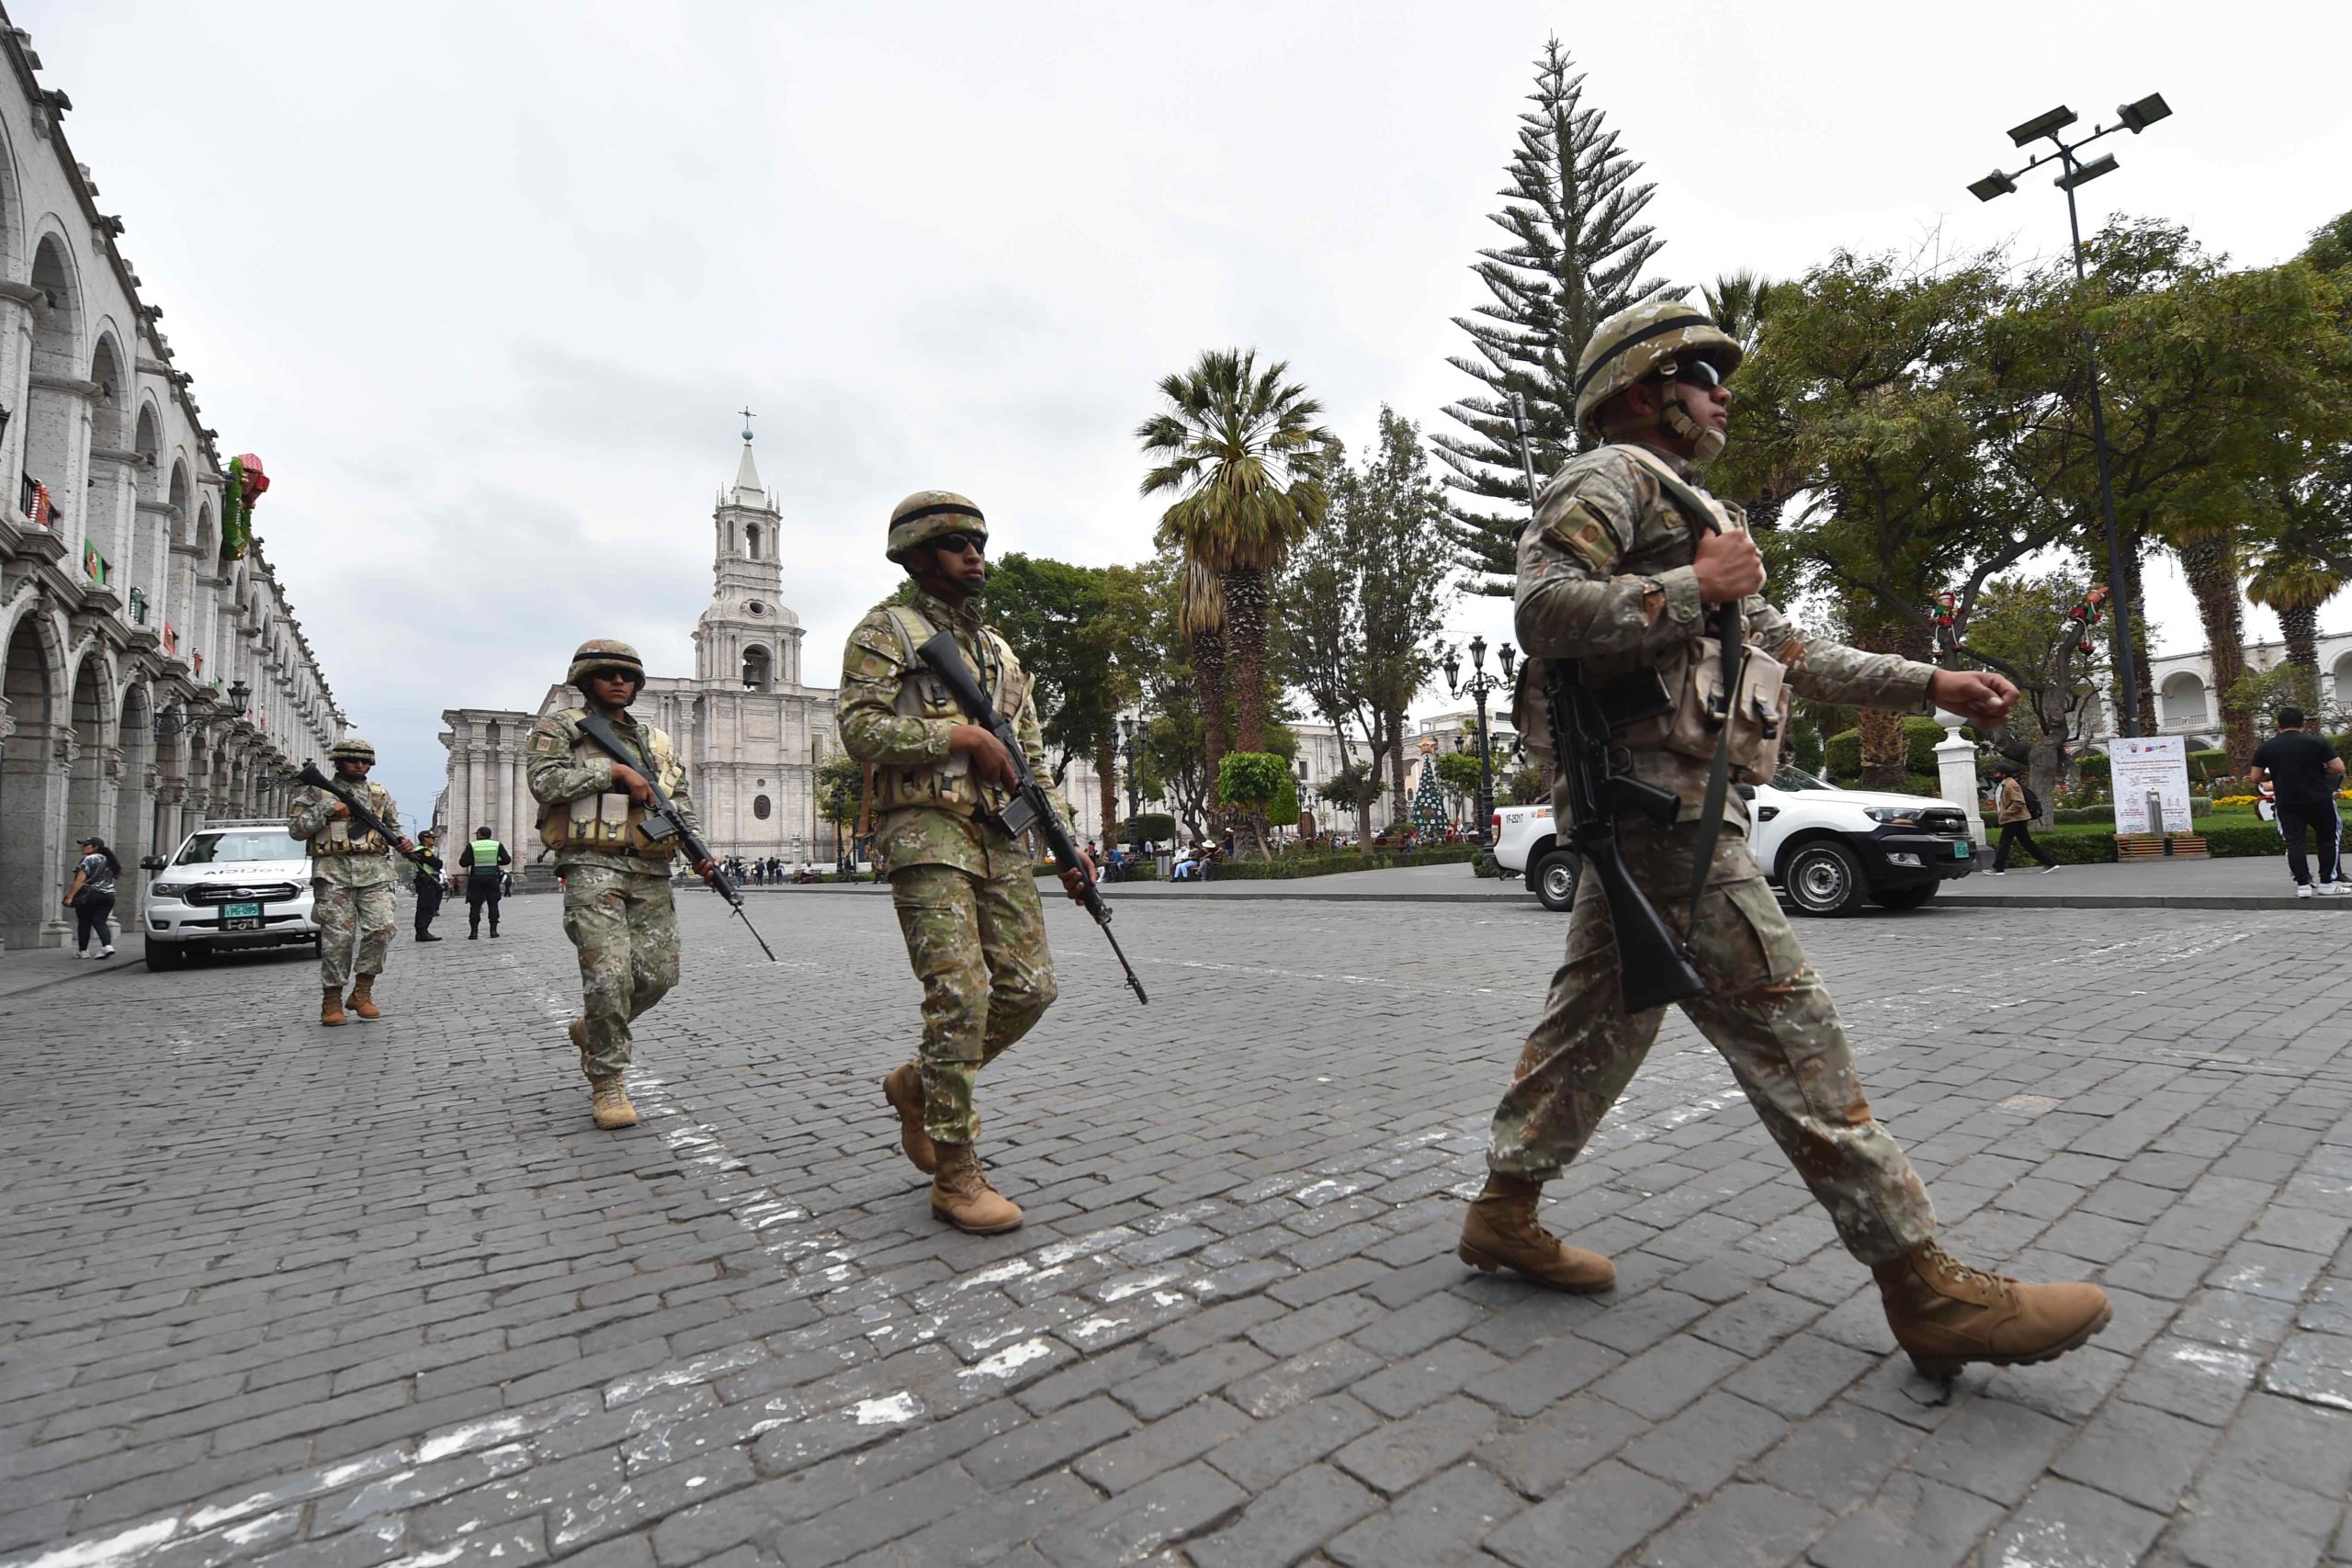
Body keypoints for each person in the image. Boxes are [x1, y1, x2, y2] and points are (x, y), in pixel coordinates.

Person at [1457, 298, 2110, 1379]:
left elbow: (1786, 649)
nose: (1722, 393)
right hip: (1660, 818)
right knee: (1792, 1033)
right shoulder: (1607, 478)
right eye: (1703, 372)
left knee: (1597, 1024)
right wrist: (1687, 587)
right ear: (1642, 388)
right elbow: (1541, 611)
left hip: (1665, 813)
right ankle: (1925, 1285)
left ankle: (1502, 1207)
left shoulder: (1683, 499)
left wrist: (1931, 683)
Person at [838, 490, 1095, 1235]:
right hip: (925, 831)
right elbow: (858, 729)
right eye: (956, 544)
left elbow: (1036, 763)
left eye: (978, 543)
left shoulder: (1002, 652)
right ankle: (955, 1172)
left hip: (1000, 835)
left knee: (1030, 988)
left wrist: (1068, 848)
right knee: (961, 991)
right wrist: (959, 739)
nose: (975, 555)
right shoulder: (885, 632)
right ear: (918, 557)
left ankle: (918, 1084)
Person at [526, 639, 719, 1129]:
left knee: (659, 976)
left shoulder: (656, 740)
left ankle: (592, 1028)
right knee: (608, 976)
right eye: (608, 674)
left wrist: (698, 850)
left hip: (651, 868)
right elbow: (545, 784)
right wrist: (611, 772)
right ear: (586, 680)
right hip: (592, 863)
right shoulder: (561, 727)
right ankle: (607, 1078)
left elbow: (678, 799)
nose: (619, 682)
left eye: (628, 676)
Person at [288, 736, 412, 1027]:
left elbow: (392, 829)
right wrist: (326, 810)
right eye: (354, 760)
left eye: (365, 761)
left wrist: (404, 843)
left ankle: (362, 992)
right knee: (338, 941)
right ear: (338, 761)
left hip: (375, 873)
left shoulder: (379, 795)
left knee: (382, 930)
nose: (360, 765)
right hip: (333, 874)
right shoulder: (316, 793)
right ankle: (331, 1001)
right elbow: (296, 830)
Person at [2250, 706, 2347, 897]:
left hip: (2287, 801)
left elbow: (2255, 777)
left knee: (2294, 842)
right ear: (2303, 723)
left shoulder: (2267, 747)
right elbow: (2338, 767)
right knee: (2327, 840)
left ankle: (2303, 885)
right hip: (2319, 799)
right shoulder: (2317, 742)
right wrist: (2319, 772)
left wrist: (2276, 775)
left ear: (2278, 725)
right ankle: (2327, 883)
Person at [1986, 765, 2058, 874]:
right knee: (2026, 843)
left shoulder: (2010, 784)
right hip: (2015, 818)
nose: (1994, 775)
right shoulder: (2005, 784)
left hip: (2014, 818)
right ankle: (2049, 863)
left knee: (2004, 843)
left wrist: (2006, 813)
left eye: (1996, 773)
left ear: (2003, 774)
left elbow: (2019, 802)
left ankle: (1998, 868)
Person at [63, 836, 119, 959]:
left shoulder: (89, 859)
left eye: (86, 845)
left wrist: (70, 896)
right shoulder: (110, 860)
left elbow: (80, 879)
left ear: (96, 847)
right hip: (109, 895)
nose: (82, 847)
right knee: (100, 921)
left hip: (91, 894)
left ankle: (83, 951)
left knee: (84, 921)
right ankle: (107, 946)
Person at [460, 824, 512, 937]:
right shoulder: (497, 845)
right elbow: (507, 860)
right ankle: (493, 931)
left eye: (477, 834)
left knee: (475, 905)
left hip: (476, 879)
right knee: (493, 904)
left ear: (480, 834)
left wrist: (473, 861)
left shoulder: (472, 846)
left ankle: (474, 932)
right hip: (492, 878)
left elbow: (462, 862)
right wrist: (496, 862)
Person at [412, 829, 447, 941]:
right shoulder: (424, 851)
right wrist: (438, 861)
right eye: (432, 838)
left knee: (426, 905)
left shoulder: (419, 850)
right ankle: (422, 931)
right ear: (425, 839)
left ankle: (422, 931)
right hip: (427, 880)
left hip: (425, 880)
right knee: (426, 906)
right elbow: (437, 864)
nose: (434, 840)